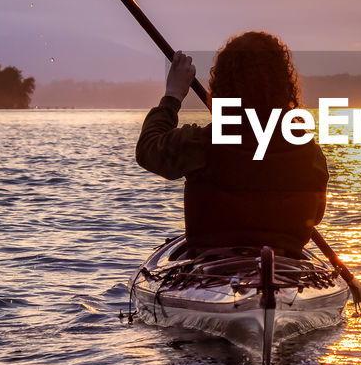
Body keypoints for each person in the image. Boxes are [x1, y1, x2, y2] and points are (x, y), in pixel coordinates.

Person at [135, 32, 328, 256]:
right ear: (284, 85)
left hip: (211, 266)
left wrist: (173, 95)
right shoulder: (308, 152)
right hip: (286, 265)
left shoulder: (202, 144)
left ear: (222, 84)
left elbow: (148, 148)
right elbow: (316, 216)